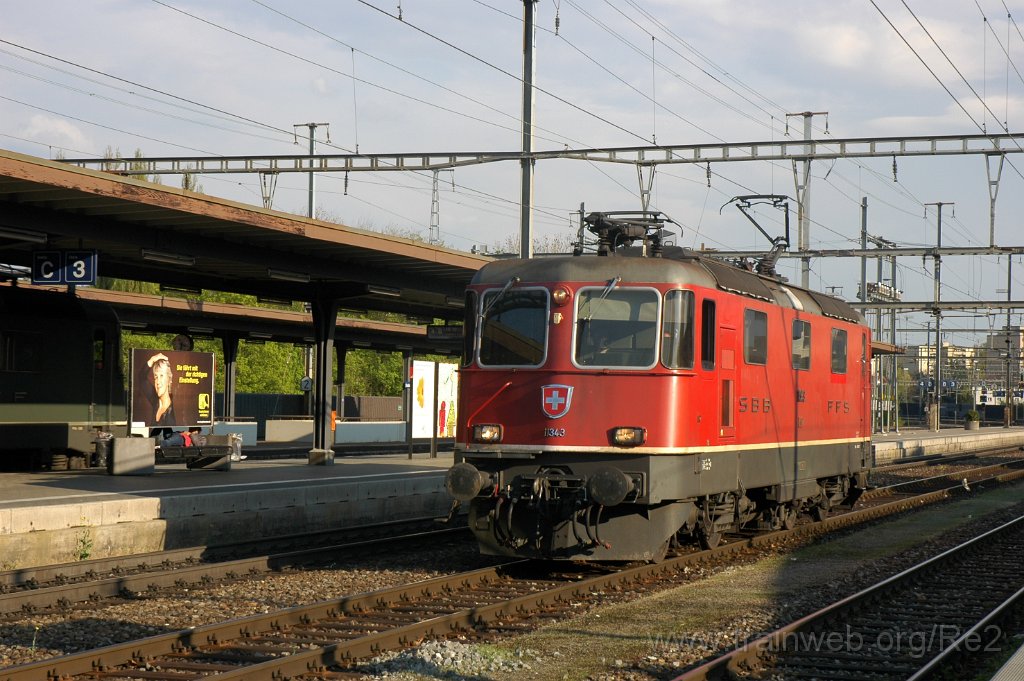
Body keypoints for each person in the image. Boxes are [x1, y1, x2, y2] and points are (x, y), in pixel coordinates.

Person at [140, 352, 176, 426]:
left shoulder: (170, 416)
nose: (158, 382)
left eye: (162, 376)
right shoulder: (155, 400)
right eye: (156, 377)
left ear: (169, 379)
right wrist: (152, 359)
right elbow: (141, 377)